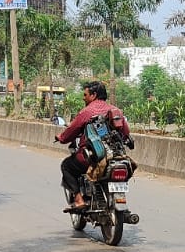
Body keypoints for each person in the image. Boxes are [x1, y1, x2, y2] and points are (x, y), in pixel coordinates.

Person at [55, 80, 131, 208]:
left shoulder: (86, 112)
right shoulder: (116, 111)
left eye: (85, 95)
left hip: (92, 158)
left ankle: (79, 200)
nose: (83, 98)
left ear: (93, 95)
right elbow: (126, 133)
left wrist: (61, 138)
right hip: (116, 157)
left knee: (66, 166)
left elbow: (71, 132)